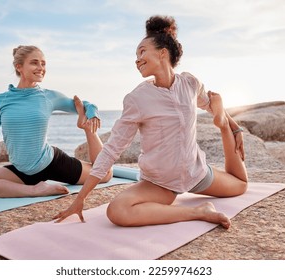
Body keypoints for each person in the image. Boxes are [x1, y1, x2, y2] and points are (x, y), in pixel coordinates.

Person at [54, 16, 248, 229]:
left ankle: (221, 127)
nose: (137, 59)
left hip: (195, 173)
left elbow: (209, 104)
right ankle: (199, 212)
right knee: (117, 211)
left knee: (241, 185)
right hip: (160, 182)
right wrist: (81, 197)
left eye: (142, 51)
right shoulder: (137, 99)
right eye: (136, 55)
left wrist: (232, 126)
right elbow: (112, 149)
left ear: (162, 52)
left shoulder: (190, 83)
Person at [0, 45, 112, 198]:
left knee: (105, 174)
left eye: (43, 64)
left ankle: (88, 130)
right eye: (34, 63)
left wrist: (92, 112)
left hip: (51, 163)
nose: (41, 68)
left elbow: (83, 106)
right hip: (21, 170)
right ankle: (35, 190)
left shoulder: (48, 96)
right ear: (19, 67)